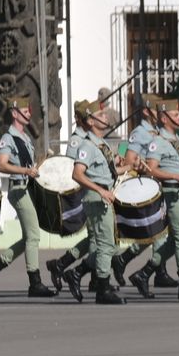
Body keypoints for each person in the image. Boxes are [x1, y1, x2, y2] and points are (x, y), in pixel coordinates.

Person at [54, 99, 130, 304]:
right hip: (96, 199)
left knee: (107, 244)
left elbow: (109, 172)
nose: (106, 117)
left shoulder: (101, 143)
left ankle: (77, 273)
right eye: (102, 115)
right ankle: (102, 289)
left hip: (103, 196)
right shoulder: (86, 145)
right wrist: (100, 191)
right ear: (91, 120)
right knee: (106, 245)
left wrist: (130, 167)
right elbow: (77, 174)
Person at [130, 97, 179, 299]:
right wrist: (174, 176)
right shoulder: (158, 142)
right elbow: (151, 170)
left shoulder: (175, 140)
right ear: (164, 118)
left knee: (174, 241)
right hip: (170, 194)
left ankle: (144, 273)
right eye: (175, 115)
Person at [0, 97, 56, 297]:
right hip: (19, 189)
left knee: (28, 238)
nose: (29, 113)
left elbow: (29, 168)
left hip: (27, 188)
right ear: (15, 113)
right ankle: (35, 282)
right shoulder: (9, 138)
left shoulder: (25, 138)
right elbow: (1, 164)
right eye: (25, 110)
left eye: (29, 111)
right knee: (34, 236)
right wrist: (24, 170)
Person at [110, 95, 160, 282]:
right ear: (146, 111)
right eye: (156, 109)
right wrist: (146, 166)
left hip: (155, 184)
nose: (160, 112)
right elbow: (131, 160)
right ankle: (122, 260)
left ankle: (156, 270)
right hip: (144, 184)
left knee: (158, 231)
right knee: (153, 232)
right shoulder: (141, 132)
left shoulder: (156, 131)